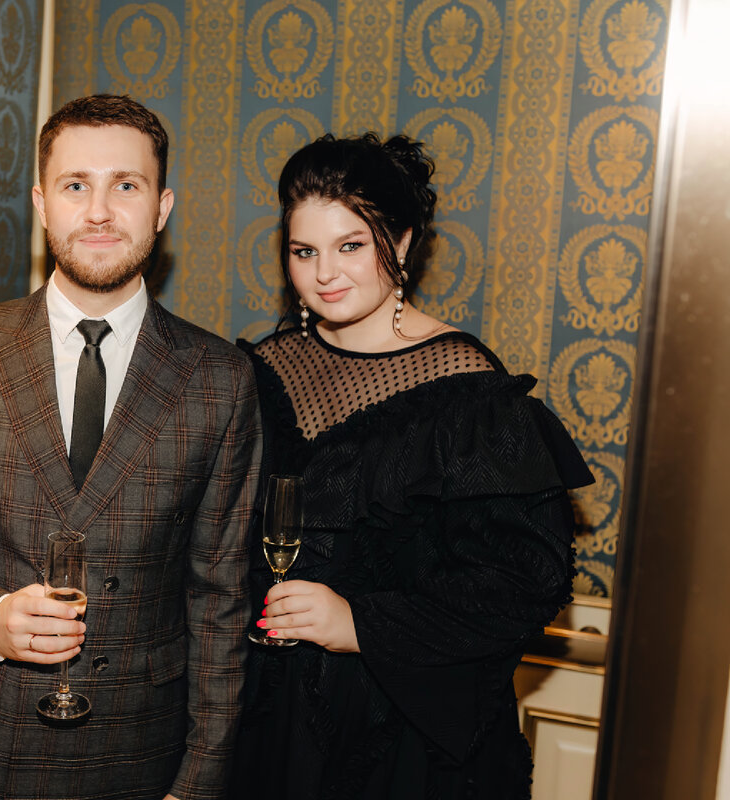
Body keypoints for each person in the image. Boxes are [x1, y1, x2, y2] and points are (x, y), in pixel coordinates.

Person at [0, 94, 261, 800]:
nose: (99, 212)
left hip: (138, 758)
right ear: (42, 204)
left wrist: (200, 781)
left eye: (126, 185)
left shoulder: (220, 378)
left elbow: (221, 598)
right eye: (76, 185)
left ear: (163, 207)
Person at [229, 132, 594, 799]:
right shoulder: (263, 368)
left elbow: (524, 583)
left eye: (350, 246)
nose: (325, 273)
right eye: (304, 251)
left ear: (399, 244)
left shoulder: (467, 392)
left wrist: (358, 624)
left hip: (397, 732)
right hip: (266, 711)